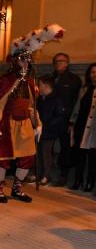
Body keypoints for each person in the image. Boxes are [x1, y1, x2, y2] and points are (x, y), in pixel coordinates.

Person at [0, 24, 63, 203]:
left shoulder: (30, 83)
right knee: (4, 159)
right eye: (22, 59)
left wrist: (39, 124)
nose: (25, 63)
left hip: (24, 125)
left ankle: (17, 189)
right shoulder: (6, 81)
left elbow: (31, 107)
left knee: (27, 158)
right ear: (15, 60)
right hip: (7, 124)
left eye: (27, 59)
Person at [51, 53, 82, 186]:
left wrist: (72, 121)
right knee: (47, 146)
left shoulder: (74, 79)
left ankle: (63, 175)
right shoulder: (50, 78)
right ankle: (46, 172)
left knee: (66, 148)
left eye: (61, 61)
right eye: (56, 61)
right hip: (50, 119)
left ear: (67, 63)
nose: (58, 63)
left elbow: (77, 102)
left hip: (65, 119)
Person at [69, 63, 96, 191]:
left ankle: (90, 183)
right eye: (92, 72)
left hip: (94, 130)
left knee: (92, 158)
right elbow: (77, 108)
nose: (94, 75)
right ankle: (77, 180)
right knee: (79, 156)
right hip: (82, 126)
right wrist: (72, 123)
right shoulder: (84, 89)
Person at [36, 75, 65, 185]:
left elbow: (60, 116)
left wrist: (46, 125)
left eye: (40, 84)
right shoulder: (41, 98)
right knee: (38, 152)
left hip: (49, 132)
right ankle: (38, 173)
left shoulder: (56, 99)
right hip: (40, 130)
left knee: (46, 153)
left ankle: (46, 175)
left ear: (46, 85)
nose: (39, 86)